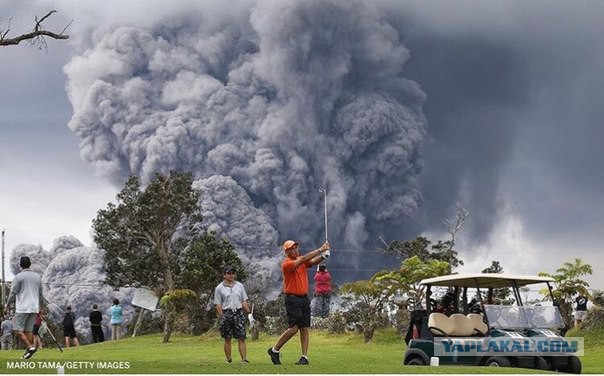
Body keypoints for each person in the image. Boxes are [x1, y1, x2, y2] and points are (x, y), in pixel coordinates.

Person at [267, 239, 330, 366]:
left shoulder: (300, 260)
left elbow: (311, 262)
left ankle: (304, 357)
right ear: (287, 251)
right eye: (292, 248)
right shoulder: (287, 264)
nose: (295, 250)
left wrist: (323, 256)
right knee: (294, 328)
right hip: (292, 299)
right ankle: (275, 350)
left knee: (304, 328)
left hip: (304, 298)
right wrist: (320, 249)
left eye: (296, 247)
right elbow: (302, 260)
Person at [3, 256, 46, 359]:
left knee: (17, 330)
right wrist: (41, 307)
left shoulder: (19, 277)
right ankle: (28, 353)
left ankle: (30, 347)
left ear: (20, 265)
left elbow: (13, 293)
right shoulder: (37, 277)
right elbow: (40, 294)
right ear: (30, 264)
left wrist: (7, 306)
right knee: (29, 331)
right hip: (34, 307)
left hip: (23, 307)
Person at [213, 266, 253, 364]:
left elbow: (243, 300)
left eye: (233, 273)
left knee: (241, 337)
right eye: (229, 273)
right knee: (227, 338)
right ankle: (229, 359)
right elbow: (218, 304)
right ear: (224, 275)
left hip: (238, 313)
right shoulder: (219, 288)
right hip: (227, 313)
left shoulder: (239, 286)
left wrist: (249, 313)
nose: (231, 275)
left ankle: (244, 359)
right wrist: (222, 316)